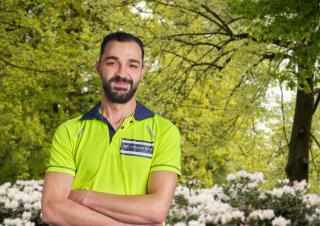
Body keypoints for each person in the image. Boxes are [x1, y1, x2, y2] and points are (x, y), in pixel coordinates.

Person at [41, 31, 181, 226]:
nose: (122, 73)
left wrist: (85, 198)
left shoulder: (164, 131)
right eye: (112, 63)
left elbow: (156, 210)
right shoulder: (69, 131)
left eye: (132, 65)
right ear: (99, 67)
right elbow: (52, 209)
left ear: (142, 71)